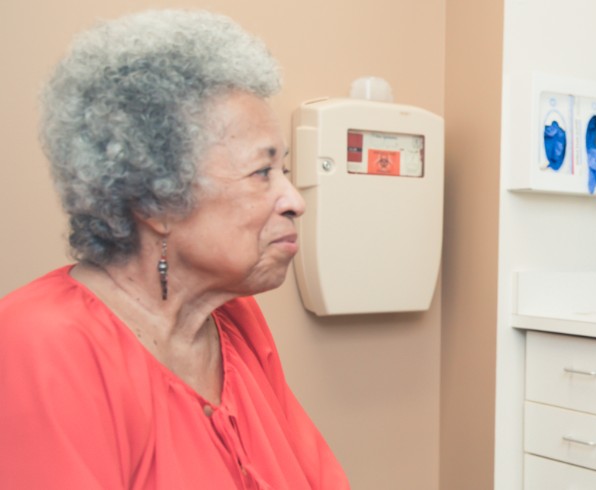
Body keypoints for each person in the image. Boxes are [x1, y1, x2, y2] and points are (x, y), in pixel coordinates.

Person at [0, 10, 350, 489]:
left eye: (284, 171)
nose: (293, 201)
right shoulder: (39, 345)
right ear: (155, 202)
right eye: (262, 173)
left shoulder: (235, 319)